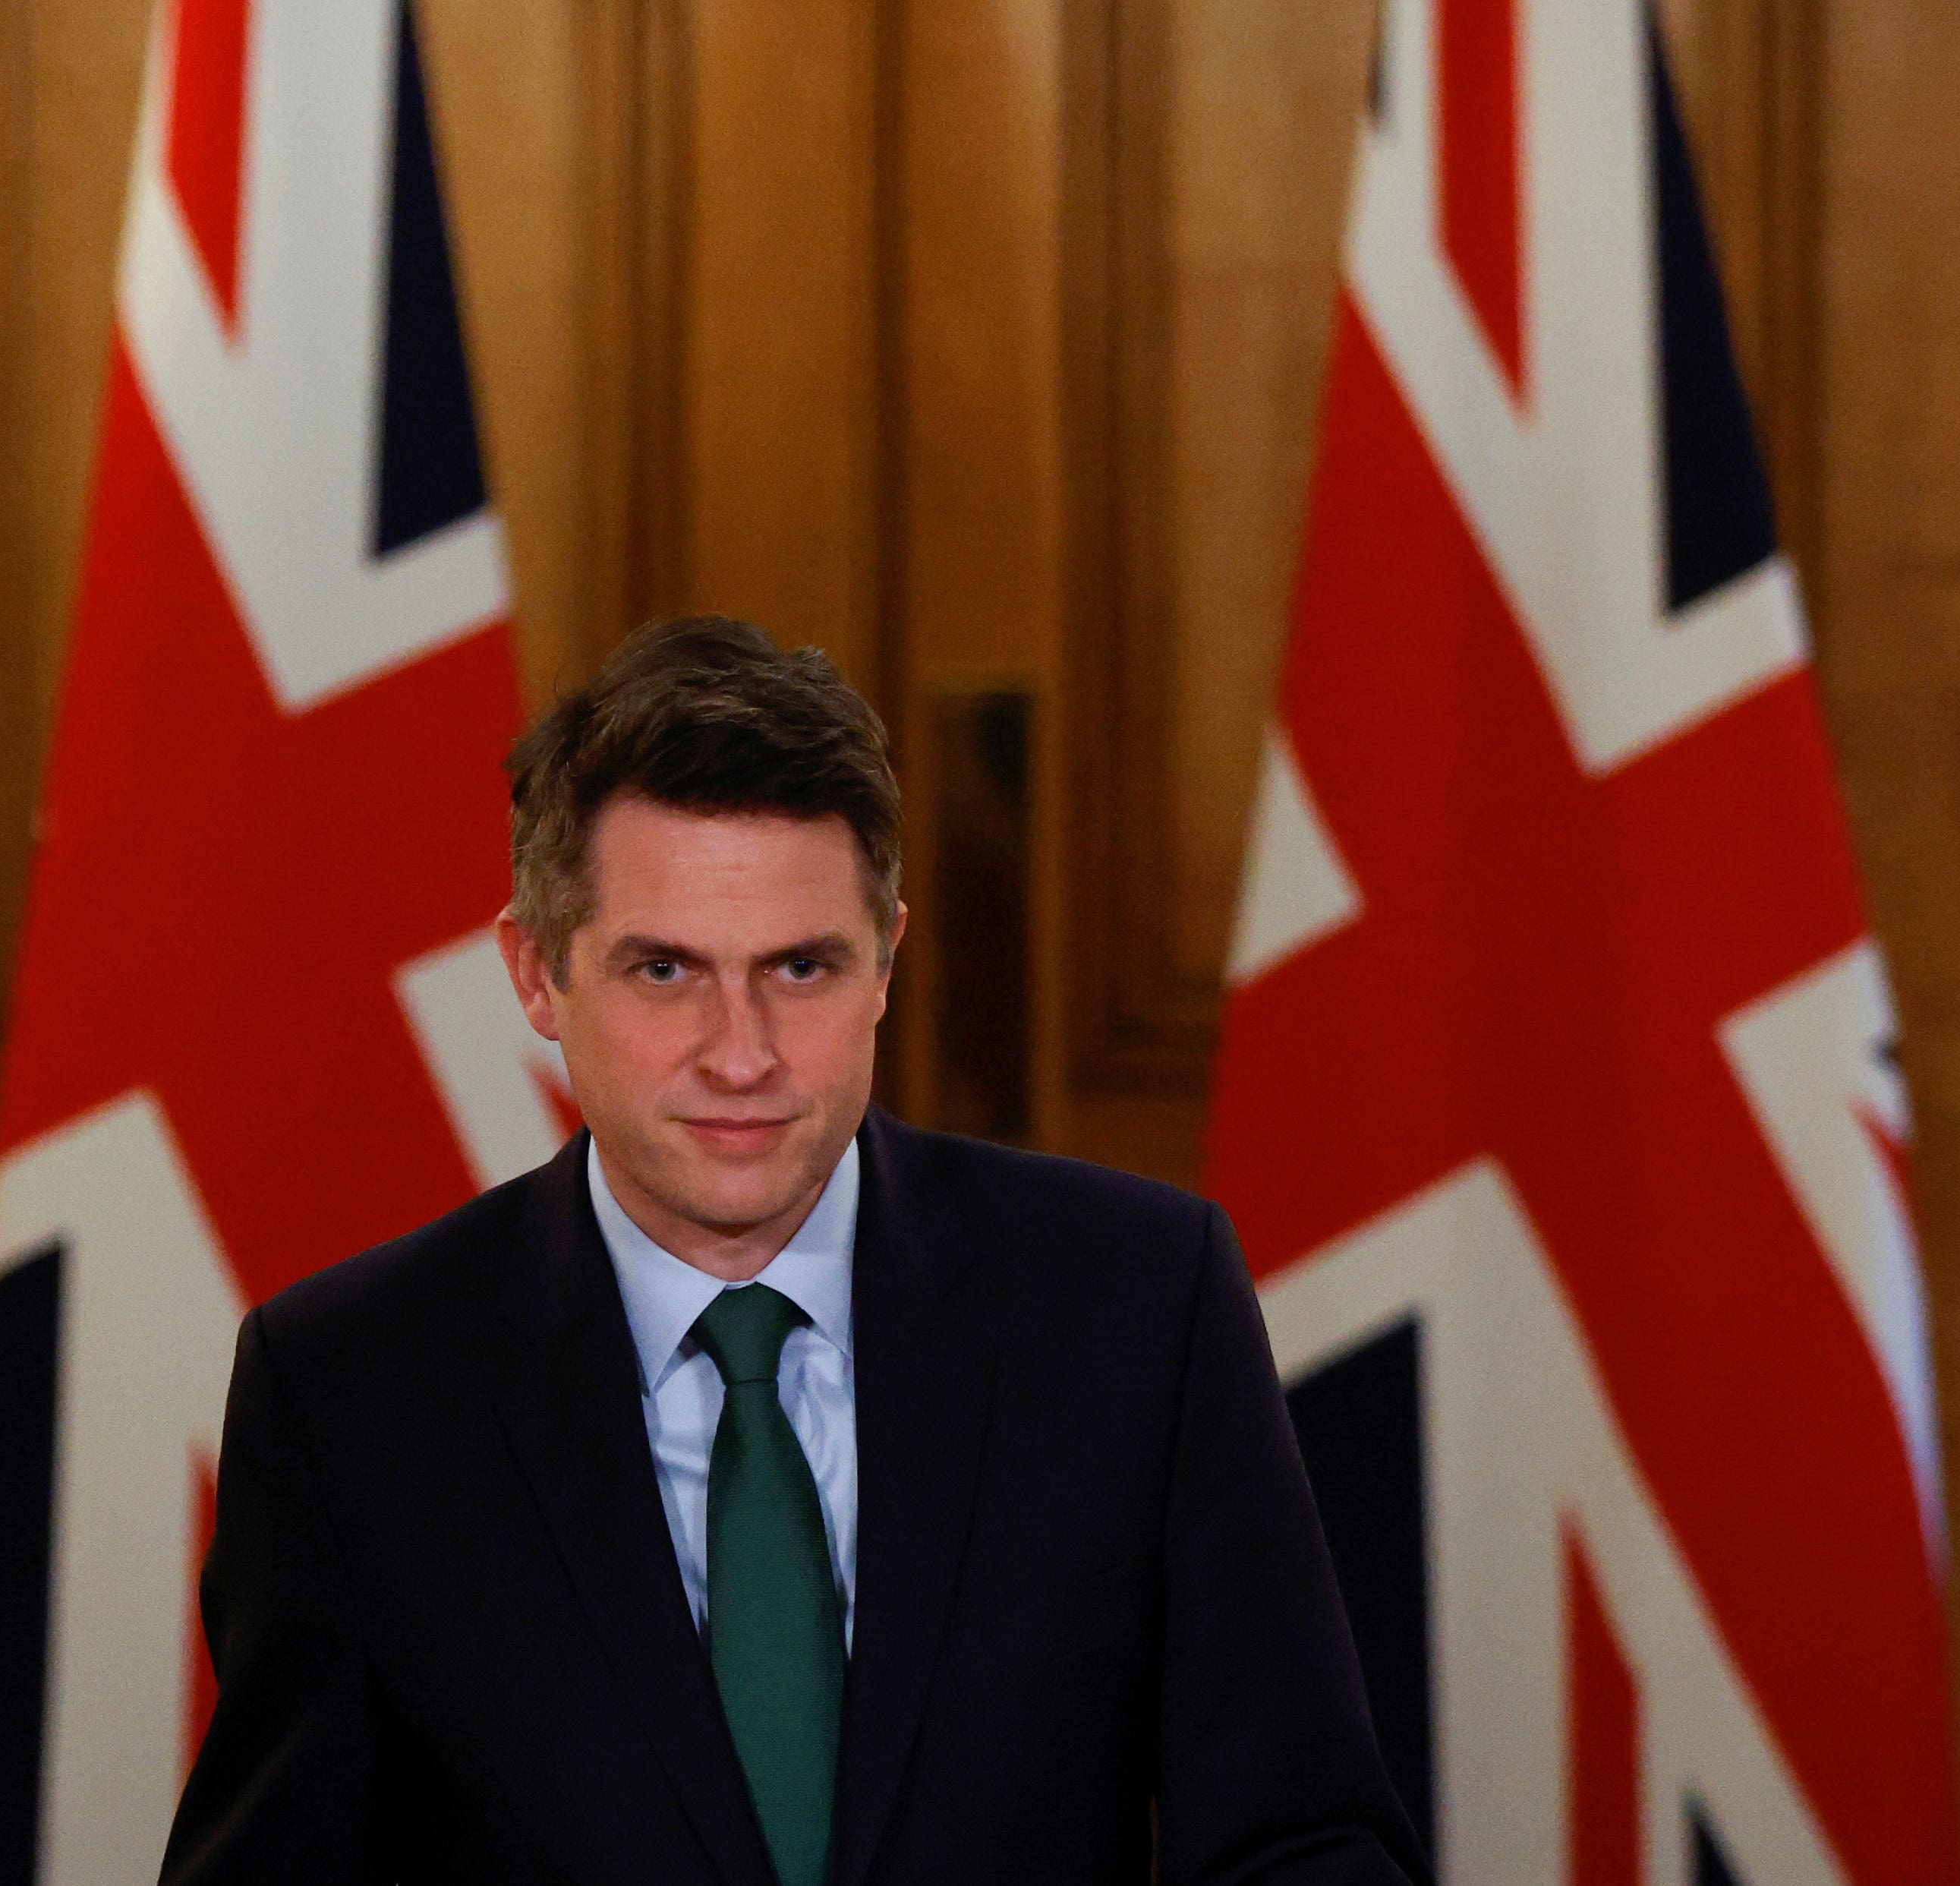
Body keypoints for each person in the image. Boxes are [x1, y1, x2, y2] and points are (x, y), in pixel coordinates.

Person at [159, 615, 1427, 1884]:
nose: (743, 1054)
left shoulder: (1136, 1308)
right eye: (664, 970)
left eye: (802, 968)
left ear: (885, 960)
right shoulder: (351, 1390)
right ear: (537, 974)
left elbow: (1299, 1842)